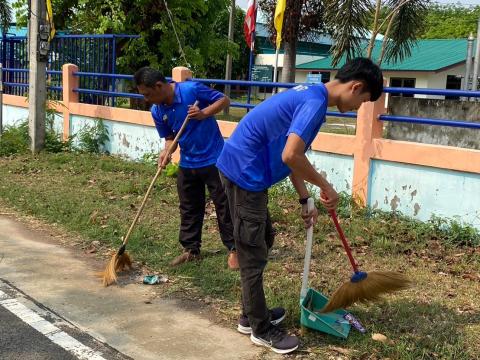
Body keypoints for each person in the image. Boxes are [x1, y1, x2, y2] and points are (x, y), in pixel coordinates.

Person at [216, 58, 383, 354]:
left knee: (263, 239)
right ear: (355, 87)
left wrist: (305, 197)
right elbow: (291, 155)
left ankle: (250, 315)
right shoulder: (315, 104)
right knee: (253, 253)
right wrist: (326, 186)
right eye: (362, 101)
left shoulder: (311, 94)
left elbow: (292, 151)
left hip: (245, 171)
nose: (359, 108)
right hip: (244, 173)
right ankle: (260, 328)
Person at [134, 67, 238, 269]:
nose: (146, 99)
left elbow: (224, 100)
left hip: (214, 158)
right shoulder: (157, 111)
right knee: (189, 206)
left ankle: (235, 249)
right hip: (188, 162)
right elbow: (170, 138)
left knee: (224, 205)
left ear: (159, 86)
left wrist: (203, 113)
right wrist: (167, 152)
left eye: (147, 94)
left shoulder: (191, 90)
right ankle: (191, 250)